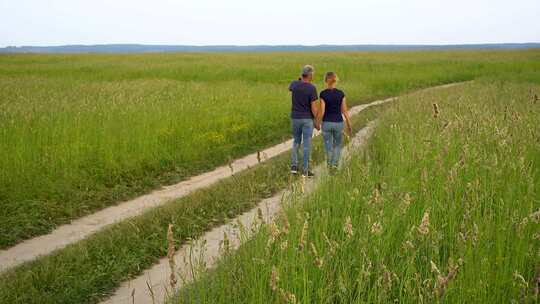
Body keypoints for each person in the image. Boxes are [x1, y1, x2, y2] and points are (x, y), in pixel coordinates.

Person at [289, 65, 319, 177]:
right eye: (313, 74)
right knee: (307, 143)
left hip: (295, 117)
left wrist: (299, 79)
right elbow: (313, 108)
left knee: (296, 141)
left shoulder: (294, 84)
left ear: (302, 75)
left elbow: (293, 85)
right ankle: (305, 170)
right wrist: (317, 120)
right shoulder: (312, 88)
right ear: (310, 75)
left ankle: (294, 166)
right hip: (307, 119)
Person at [318, 72, 352, 172]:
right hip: (338, 123)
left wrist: (317, 123)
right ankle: (334, 165)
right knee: (337, 145)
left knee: (328, 146)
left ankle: (329, 166)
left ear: (326, 81)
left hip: (327, 123)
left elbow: (322, 111)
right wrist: (349, 124)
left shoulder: (323, 94)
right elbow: (344, 111)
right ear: (335, 80)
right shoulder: (341, 94)